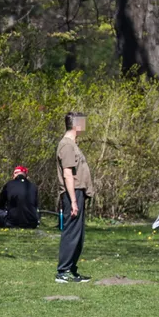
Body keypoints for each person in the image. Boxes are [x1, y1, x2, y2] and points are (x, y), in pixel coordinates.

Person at [55, 112, 92, 283]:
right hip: (72, 193)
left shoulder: (73, 144)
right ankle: (63, 271)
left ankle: (71, 268)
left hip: (77, 192)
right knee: (71, 233)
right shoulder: (67, 146)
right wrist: (74, 201)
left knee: (79, 234)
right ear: (77, 125)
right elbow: (68, 174)